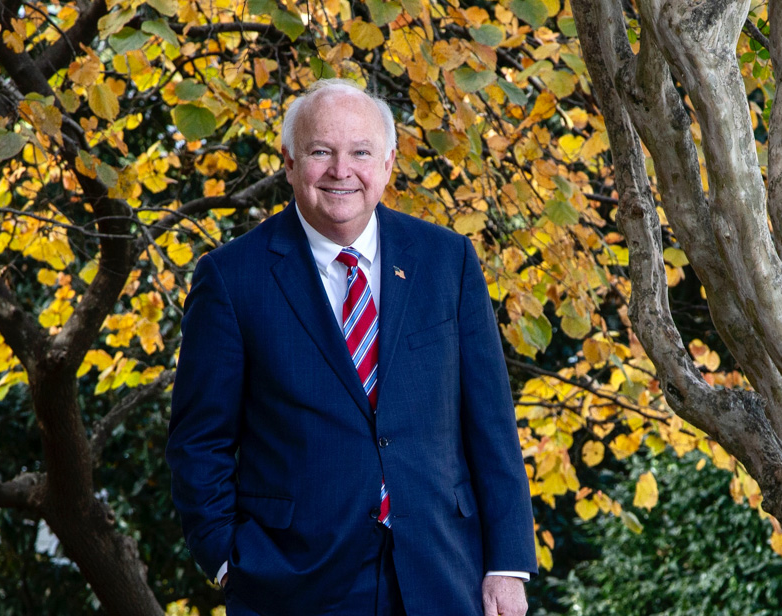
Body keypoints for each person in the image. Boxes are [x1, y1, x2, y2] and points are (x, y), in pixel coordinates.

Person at [166, 79, 536, 616]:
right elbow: (199, 442)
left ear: (387, 163)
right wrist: (228, 560)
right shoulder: (231, 277)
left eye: (360, 152)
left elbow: (491, 424)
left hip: (444, 573)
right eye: (321, 152)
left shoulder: (446, 260)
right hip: (293, 584)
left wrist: (507, 564)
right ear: (290, 163)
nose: (342, 171)